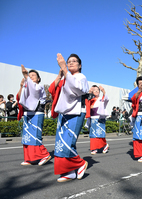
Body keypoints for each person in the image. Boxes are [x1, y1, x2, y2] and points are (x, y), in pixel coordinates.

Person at [49, 53, 89, 182]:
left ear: (80, 65)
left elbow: (78, 89)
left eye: (74, 61)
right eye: (68, 61)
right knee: (61, 143)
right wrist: (60, 75)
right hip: (64, 112)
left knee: (67, 143)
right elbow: (52, 91)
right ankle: (69, 171)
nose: (70, 63)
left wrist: (65, 70)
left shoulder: (81, 77)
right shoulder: (65, 78)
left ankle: (80, 163)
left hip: (76, 112)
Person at [17, 65, 51, 166]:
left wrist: (26, 76)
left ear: (38, 78)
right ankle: (30, 158)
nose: (31, 77)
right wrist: (21, 86)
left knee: (35, 135)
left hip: (37, 113)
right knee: (27, 136)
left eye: (33, 75)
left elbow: (34, 91)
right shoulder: (27, 87)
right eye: (29, 75)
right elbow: (19, 98)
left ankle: (44, 154)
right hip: (27, 113)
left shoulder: (38, 86)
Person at [86, 85, 110, 155]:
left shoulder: (101, 99)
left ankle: (105, 145)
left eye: (97, 90)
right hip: (92, 118)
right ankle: (94, 148)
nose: (96, 91)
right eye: (94, 90)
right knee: (93, 134)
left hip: (99, 118)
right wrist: (89, 92)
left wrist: (103, 91)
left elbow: (107, 99)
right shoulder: (90, 99)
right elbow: (86, 105)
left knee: (99, 133)